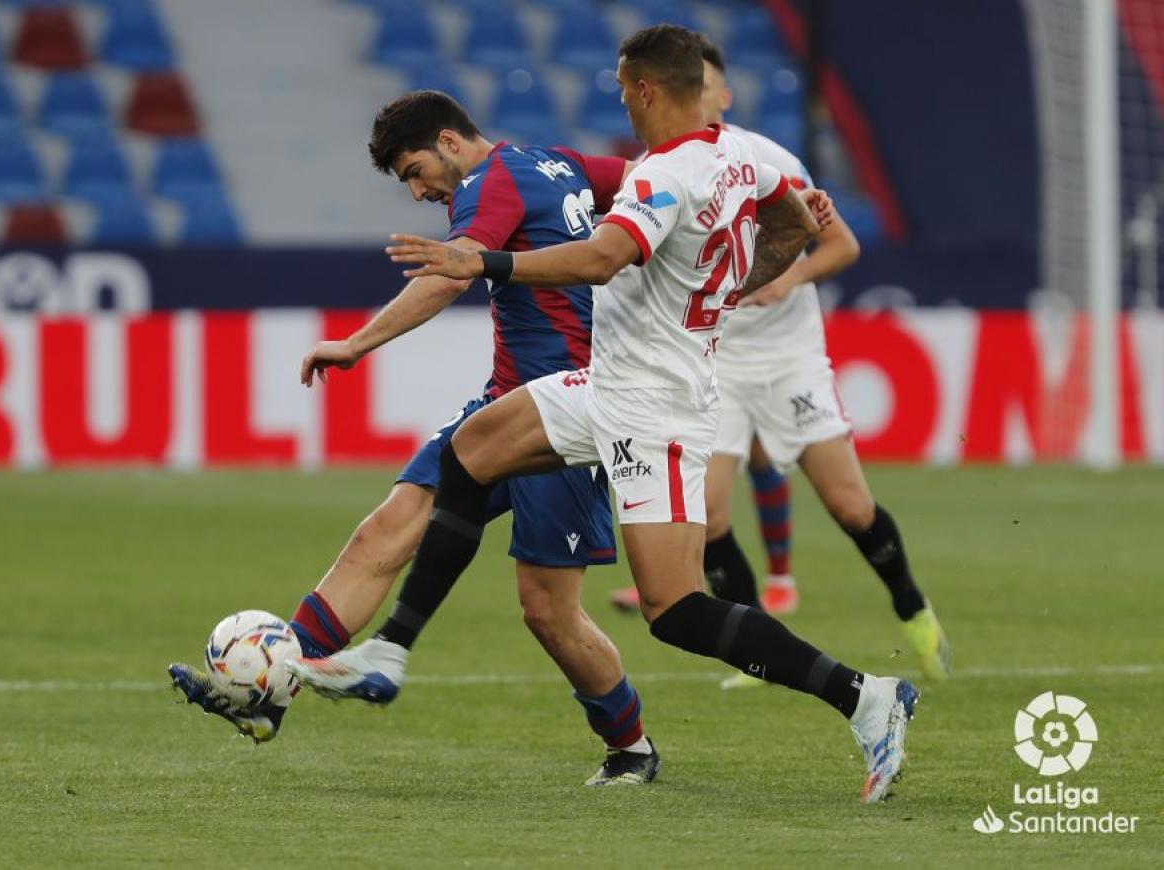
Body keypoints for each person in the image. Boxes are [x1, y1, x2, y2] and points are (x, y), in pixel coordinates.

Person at [293, 25, 920, 804]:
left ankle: (866, 697)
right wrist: (726, 288)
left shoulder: (664, 174)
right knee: (470, 449)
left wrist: (484, 261)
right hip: (608, 384)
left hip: (653, 406)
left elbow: (601, 258)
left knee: (675, 609)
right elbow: (796, 223)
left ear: (648, 89)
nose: (621, 101)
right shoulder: (742, 157)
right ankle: (389, 650)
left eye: (624, 89)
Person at [170, 90, 662, 787]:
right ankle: (277, 686)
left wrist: (358, 343)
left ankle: (632, 746)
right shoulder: (560, 163)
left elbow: (449, 273)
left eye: (413, 170)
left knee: (549, 612)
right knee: (385, 532)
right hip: (501, 405)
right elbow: (653, 178)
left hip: (565, 417)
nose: (419, 189)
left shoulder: (492, 180)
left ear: (449, 141)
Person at [609, 37, 952, 691]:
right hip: (718, 362)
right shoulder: (653, 170)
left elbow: (838, 244)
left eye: (707, 89)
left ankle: (912, 609)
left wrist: (786, 281)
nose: (698, 100)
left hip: (789, 355)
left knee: (851, 506)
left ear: (721, 95)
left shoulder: (761, 159)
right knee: (708, 518)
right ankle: (761, 647)